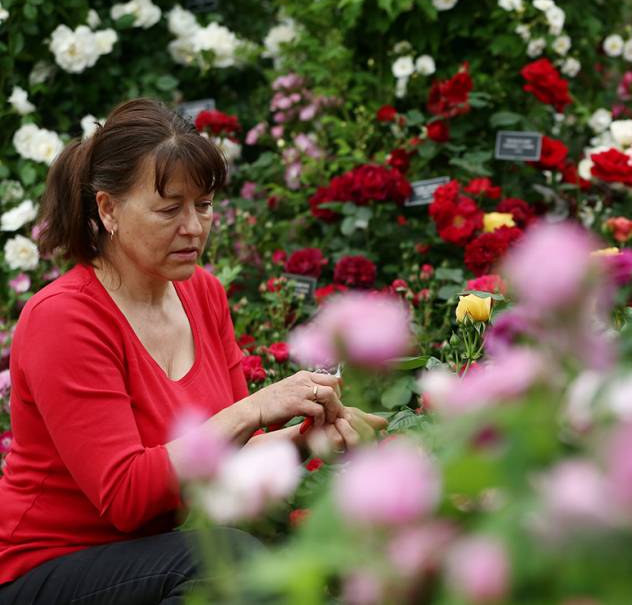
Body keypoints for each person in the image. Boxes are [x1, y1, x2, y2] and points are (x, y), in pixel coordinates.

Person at [0, 98, 385, 604]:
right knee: (221, 563)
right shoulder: (65, 318)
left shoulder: (202, 293)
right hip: (43, 569)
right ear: (107, 209)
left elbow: (225, 459)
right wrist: (251, 408)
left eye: (202, 205)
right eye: (168, 209)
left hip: (145, 564)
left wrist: (308, 437)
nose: (193, 227)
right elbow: (126, 497)